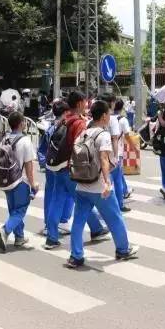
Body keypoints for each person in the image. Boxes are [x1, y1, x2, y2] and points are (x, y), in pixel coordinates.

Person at [67, 100, 139, 269]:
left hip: (82, 184)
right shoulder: (103, 135)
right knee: (115, 218)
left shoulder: (84, 133)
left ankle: (76, 256)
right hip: (99, 186)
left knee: (78, 221)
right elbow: (104, 159)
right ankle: (123, 250)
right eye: (108, 114)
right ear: (104, 116)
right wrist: (107, 182)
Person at [46, 91, 105, 250]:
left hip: (58, 167)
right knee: (83, 201)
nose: (87, 104)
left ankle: (51, 237)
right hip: (70, 169)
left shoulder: (63, 120)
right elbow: (80, 147)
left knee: (56, 202)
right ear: (79, 103)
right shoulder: (79, 123)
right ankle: (96, 229)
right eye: (85, 102)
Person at [0, 112, 39, 252]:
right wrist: (33, 184)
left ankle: (19, 237)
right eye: (24, 121)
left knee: (13, 211)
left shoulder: (5, 139)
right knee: (20, 211)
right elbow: (29, 166)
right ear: (21, 124)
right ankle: (5, 230)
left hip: (7, 180)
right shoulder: (25, 141)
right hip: (20, 181)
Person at [38, 100, 73, 236]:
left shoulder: (49, 129)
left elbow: (42, 150)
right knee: (67, 193)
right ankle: (63, 221)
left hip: (50, 166)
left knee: (50, 195)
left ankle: (49, 224)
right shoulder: (66, 127)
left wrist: (44, 163)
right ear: (65, 112)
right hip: (64, 166)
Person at [114, 98, 137, 210]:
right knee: (117, 179)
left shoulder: (107, 117)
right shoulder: (123, 120)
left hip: (105, 152)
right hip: (117, 152)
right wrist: (134, 148)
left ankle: (126, 190)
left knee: (118, 175)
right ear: (122, 107)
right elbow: (127, 135)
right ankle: (120, 204)